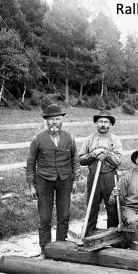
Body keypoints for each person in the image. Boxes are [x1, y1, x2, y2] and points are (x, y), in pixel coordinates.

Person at [25, 104, 80, 256]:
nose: (54, 122)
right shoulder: (38, 139)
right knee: (44, 217)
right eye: (51, 119)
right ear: (46, 121)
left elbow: (75, 159)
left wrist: (75, 180)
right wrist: (31, 185)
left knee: (64, 216)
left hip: (65, 180)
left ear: (62, 120)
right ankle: (45, 249)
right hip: (43, 180)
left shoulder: (69, 138)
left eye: (57, 119)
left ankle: (60, 249)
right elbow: (30, 162)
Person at [78, 112, 123, 237]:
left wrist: (106, 153)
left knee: (112, 207)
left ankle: (113, 236)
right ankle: (87, 235)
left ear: (110, 124)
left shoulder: (115, 140)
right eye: (100, 122)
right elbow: (81, 159)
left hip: (110, 176)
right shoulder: (89, 139)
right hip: (93, 177)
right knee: (92, 206)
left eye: (106, 122)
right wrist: (94, 154)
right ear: (96, 123)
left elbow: (118, 161)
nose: (103, 125)